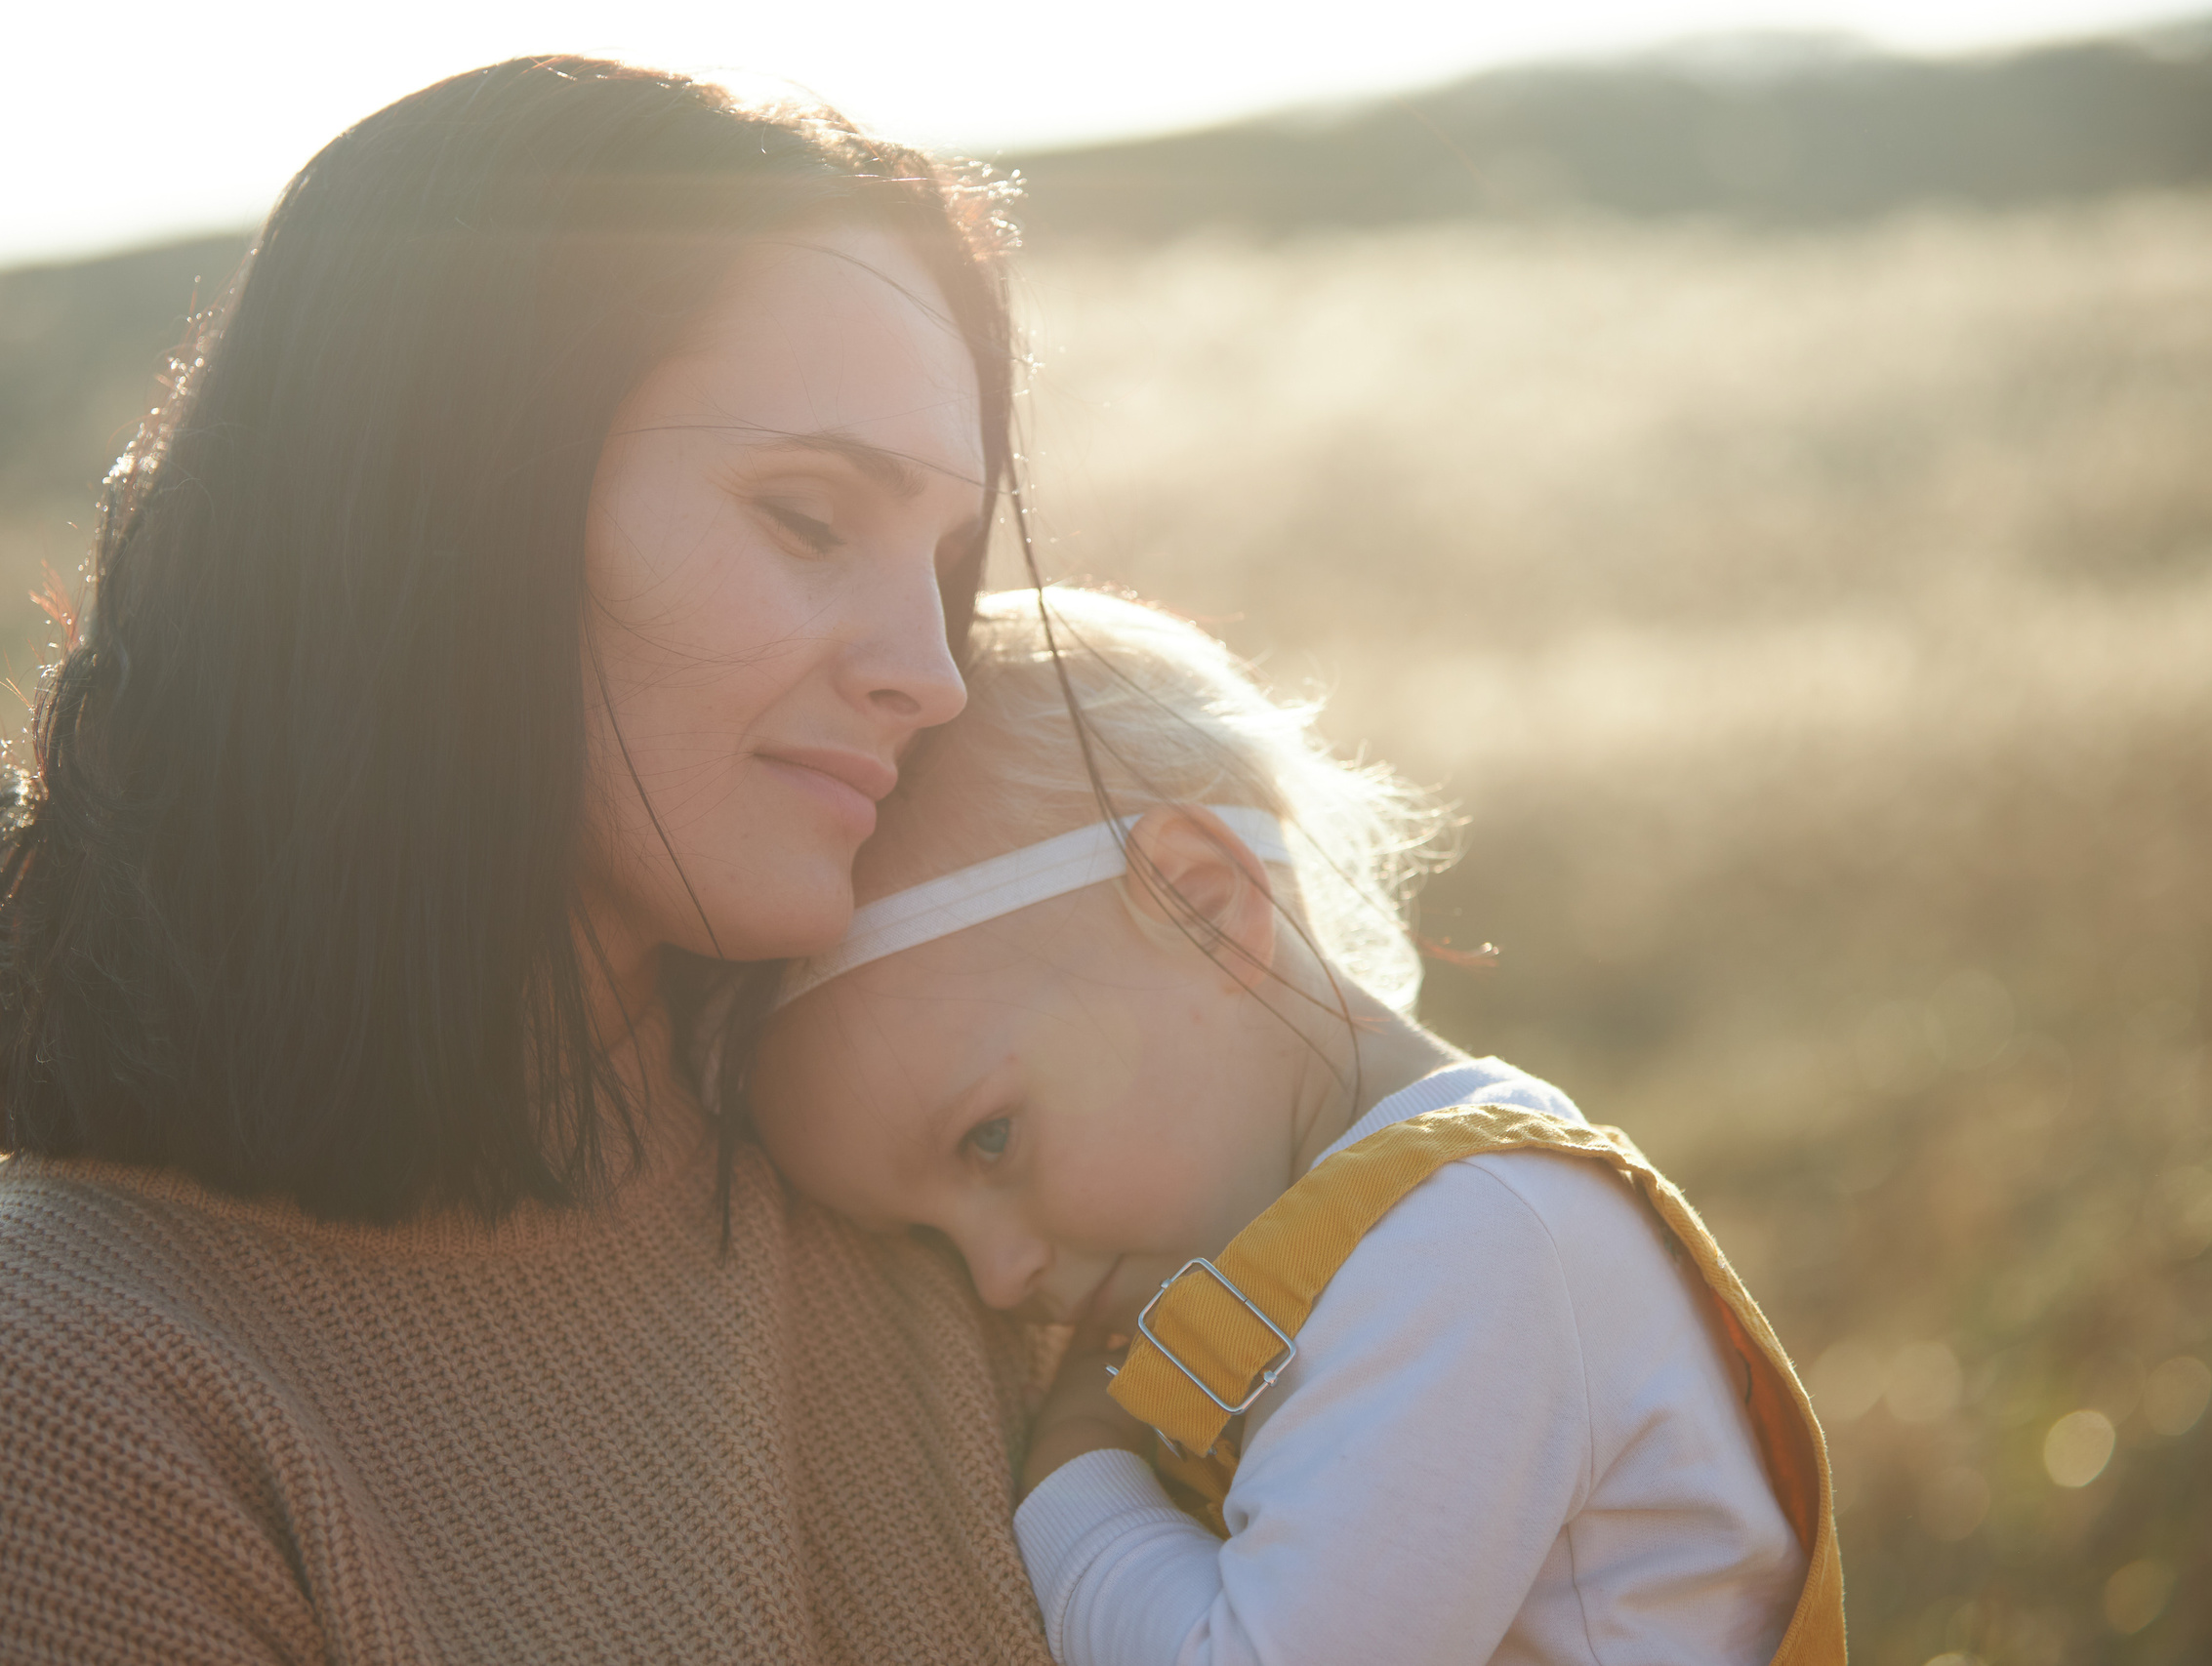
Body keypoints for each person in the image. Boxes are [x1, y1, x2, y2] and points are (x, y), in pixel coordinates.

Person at [0, 60, 1058, 1664]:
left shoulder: (951, 1165)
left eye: (943, 563)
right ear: (448, 503)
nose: (928, 670)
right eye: (808, 517)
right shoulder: (38, 1392)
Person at [742, 587, 1841, 1666]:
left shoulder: (1470, 1251)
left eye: (990, 1140)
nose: (993, 1280)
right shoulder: (1377, 1246)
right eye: (926, 1241)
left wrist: (1074, 1475)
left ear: (1199, 905)